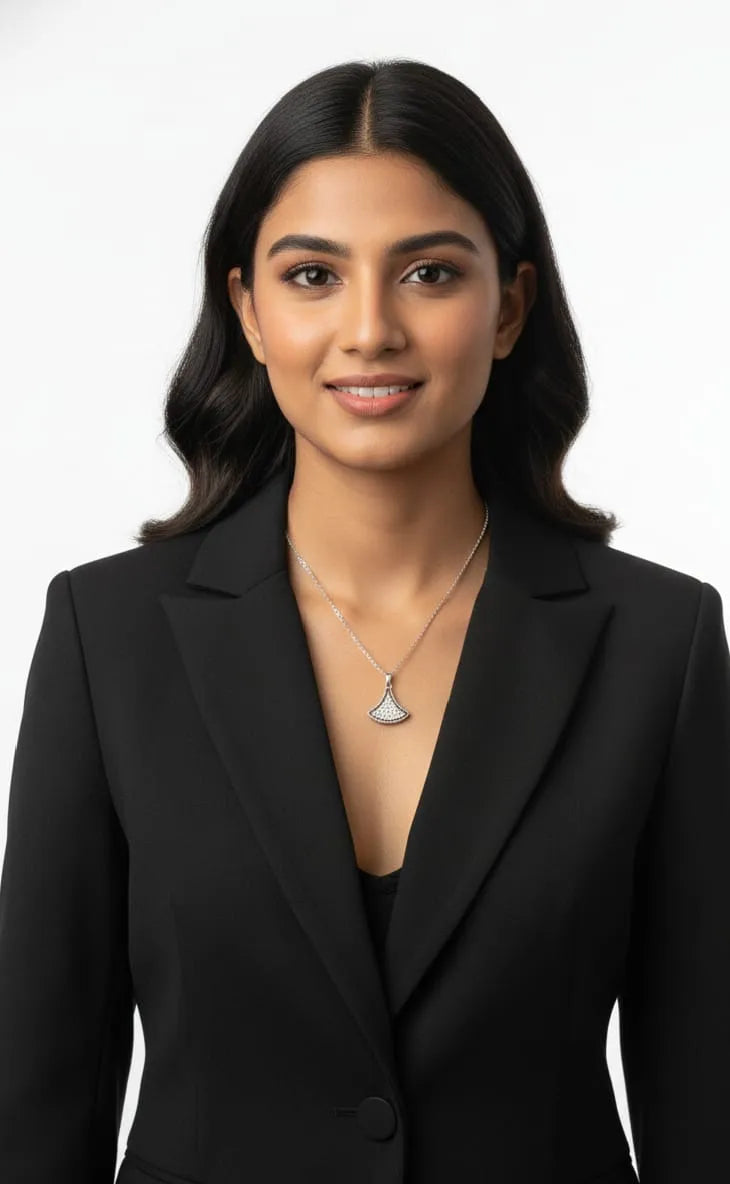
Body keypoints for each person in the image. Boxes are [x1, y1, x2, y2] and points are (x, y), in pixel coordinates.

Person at [0, 57, 727, 1184]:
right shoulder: (110, 636)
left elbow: (703, 1100)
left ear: (509, 308)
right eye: (312, 276)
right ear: (247, 307)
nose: (370, 328)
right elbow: (38, 1100)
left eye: (430, 272)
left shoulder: (660, 644)